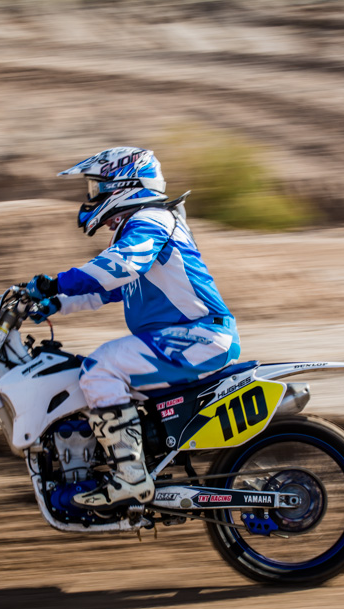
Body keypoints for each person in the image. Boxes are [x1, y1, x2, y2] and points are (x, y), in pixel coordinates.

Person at [26, 147, 240, 508]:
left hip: (200, 336)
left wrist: (57, 282)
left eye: (97, 188)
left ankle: (130, 477)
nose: (92, 198)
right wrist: (54, 303)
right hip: (186, 338)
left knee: (99, 368)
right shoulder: (142, 226)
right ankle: (129, 462)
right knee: (94, 370)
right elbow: (106, 290)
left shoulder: (152, 220)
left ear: (124, 185)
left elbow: (120, 265)